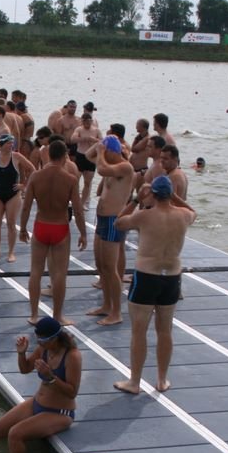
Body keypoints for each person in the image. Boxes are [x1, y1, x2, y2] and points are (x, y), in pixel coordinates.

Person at [112, 176, 196, 394]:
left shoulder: (144, 216)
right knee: (165, 330)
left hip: (146, 276)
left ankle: (134, 382)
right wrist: (176, 197)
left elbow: (118, 223)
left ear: (153, 195)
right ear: (170, 194)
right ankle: (161, 379)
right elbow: (194, 212)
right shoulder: (183, 216)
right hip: (171, 277)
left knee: (139, 331)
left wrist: (134, 199)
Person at [0, 317, 82, 453]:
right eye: (37, 340)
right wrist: (21, 353)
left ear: (54, 339)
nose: (39, 343)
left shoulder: (72, 356)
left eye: (42, 341)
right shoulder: (43, 349)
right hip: (36, 403)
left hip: (60, 413)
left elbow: (72, 392)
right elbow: (25, 369)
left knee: (15, 435)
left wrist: (50, 377)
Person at [20, 140, 87, 326]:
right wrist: (83, 233)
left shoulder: (35, 176)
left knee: (35, 272)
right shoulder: (70, 180)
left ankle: (34, 315)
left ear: (48, 155)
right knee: (59, 274)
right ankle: (58, 316)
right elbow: (79, 210)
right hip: (60, 228)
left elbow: (26, 207)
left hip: (41, 225)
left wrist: (23, 228)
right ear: (65, 156)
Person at [87, 136, 134, 326]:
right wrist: (99, 143)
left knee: (111, 268)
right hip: (102, 220)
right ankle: (106, 305)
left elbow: (101, 167)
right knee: (101, 265)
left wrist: (100, 152)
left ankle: (116, 312)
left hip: (114, 221)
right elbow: (88, 155)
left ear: (113, 153)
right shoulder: (107, 162)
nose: (102, 156)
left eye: (106, 153)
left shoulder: (124, 167)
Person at [0, 133, 35, 263]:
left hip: (13, 194)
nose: (11, 145)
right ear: (2, 145)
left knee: (11, 224)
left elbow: (32, 169)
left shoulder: (16, 157)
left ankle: (11, 252)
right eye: (9, 143)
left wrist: (24, 185)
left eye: (12, 143)